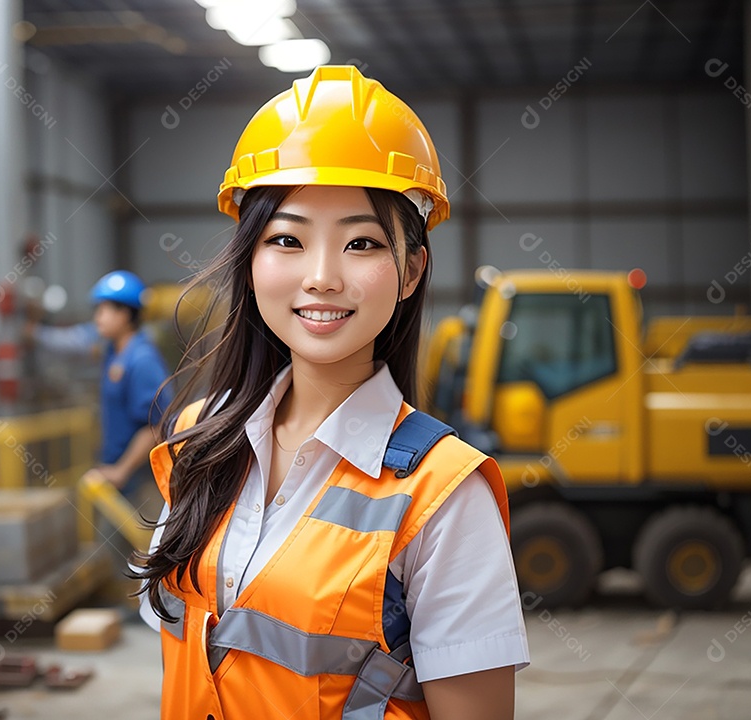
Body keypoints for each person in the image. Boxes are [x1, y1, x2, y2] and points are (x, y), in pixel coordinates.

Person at [133, 66, 529, 719]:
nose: (321, 277)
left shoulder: (444, 497)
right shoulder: (199, 442)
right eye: (287, 239)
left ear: (410, 270)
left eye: (361, 242)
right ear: (250, 259)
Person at [28, 270, 173, 501]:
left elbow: (155, 426)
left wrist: (122, 470)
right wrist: (35, 333)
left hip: (140, 481)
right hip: (117, 473)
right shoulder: (113, 351)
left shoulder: (142, 360)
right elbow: (76, 340)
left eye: (103, 310)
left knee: (138, 525)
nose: (97, 317)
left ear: (124, 314)